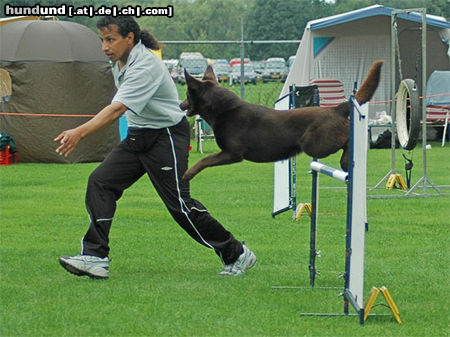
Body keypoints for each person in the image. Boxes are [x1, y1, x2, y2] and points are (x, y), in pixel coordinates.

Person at [55, 16, 256, 279]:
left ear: (129, 39)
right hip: (139, 137)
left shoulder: (146, 66)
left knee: (180, 207)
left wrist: (79, 132)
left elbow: (117, 109)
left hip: (166, 138)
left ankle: (237, 253)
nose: (104, 46)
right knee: (100, 183)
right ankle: (95, 257)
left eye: (110, 39)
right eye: (102, 40)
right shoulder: (120, 61)